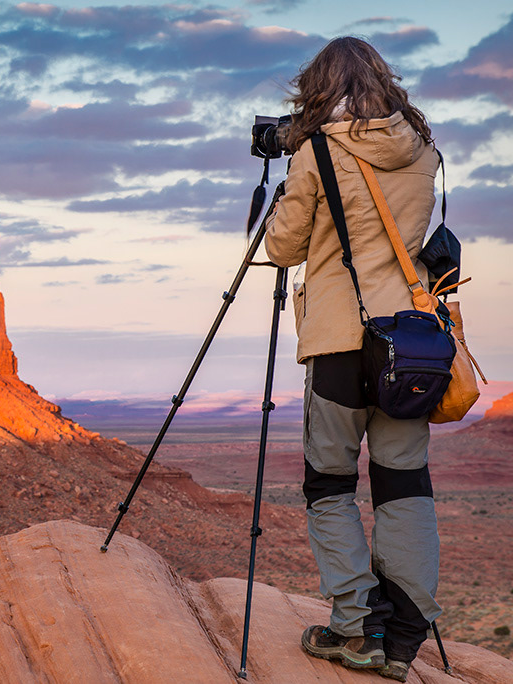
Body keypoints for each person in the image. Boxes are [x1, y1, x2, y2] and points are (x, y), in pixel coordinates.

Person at [264, 37, 440, 683]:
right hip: (410, 346)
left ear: (317, 88)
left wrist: (289, 182)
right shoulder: (423, 150)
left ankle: (356, 627)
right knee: (404, 486)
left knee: (331, 485)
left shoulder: (318, 149)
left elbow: (283, 248)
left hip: (340, 339)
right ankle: (403, 638)